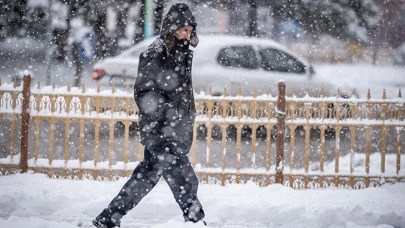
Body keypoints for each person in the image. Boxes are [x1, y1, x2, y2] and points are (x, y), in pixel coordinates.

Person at [92, 3, 205, 228]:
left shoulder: (182, 53)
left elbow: (181, 91)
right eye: (183, 30)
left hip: (174, 127)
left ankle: (108, 218)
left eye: (190, 31)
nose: (187, 34)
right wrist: (168, 114)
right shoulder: (156, 53)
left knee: (146, 177)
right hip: (162, 128)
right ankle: (195, 220)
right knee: (183, 178)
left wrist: (186, 115)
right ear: (172, 29)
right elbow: (144, 92)